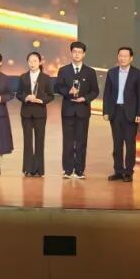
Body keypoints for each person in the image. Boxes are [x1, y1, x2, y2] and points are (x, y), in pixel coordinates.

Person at [56, 41, 99, 179]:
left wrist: (85, 98)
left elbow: (95, 91)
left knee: (81, 141)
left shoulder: (90, 72)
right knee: (68, 141)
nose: (77, 54)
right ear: (71, 53)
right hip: (68, 110)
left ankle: (79, 170)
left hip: (83, 110)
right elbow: (57, 87)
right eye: (74, 52)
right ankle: (68, 170)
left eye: (80, 52)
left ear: (84, 54)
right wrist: (68, 91)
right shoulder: (63, 70)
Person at [104, 46, 140, 183]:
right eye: (120, 55)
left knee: (130, 144)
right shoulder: (111, 73)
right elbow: (107, 94)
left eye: (125, 56)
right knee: (117, 144)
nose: (122, 58)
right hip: (115, 112)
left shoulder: (137, 74)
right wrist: (106, 111)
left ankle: (128, 172)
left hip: (131, 114)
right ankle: (118, 171)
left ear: (131, 58)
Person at [17, 51, 55, 177]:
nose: (32, 63)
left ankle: (39, 169)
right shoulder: (23, 77)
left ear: (40, 62)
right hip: (26, 113)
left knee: (39, 140)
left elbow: (51, 95)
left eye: (35, 61)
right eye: (30, 61)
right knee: (27, 141)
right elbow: (18, 94)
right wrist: (26, 97)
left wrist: (42, 100)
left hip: (40, 113)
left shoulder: (46, 78)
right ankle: (28, 168)